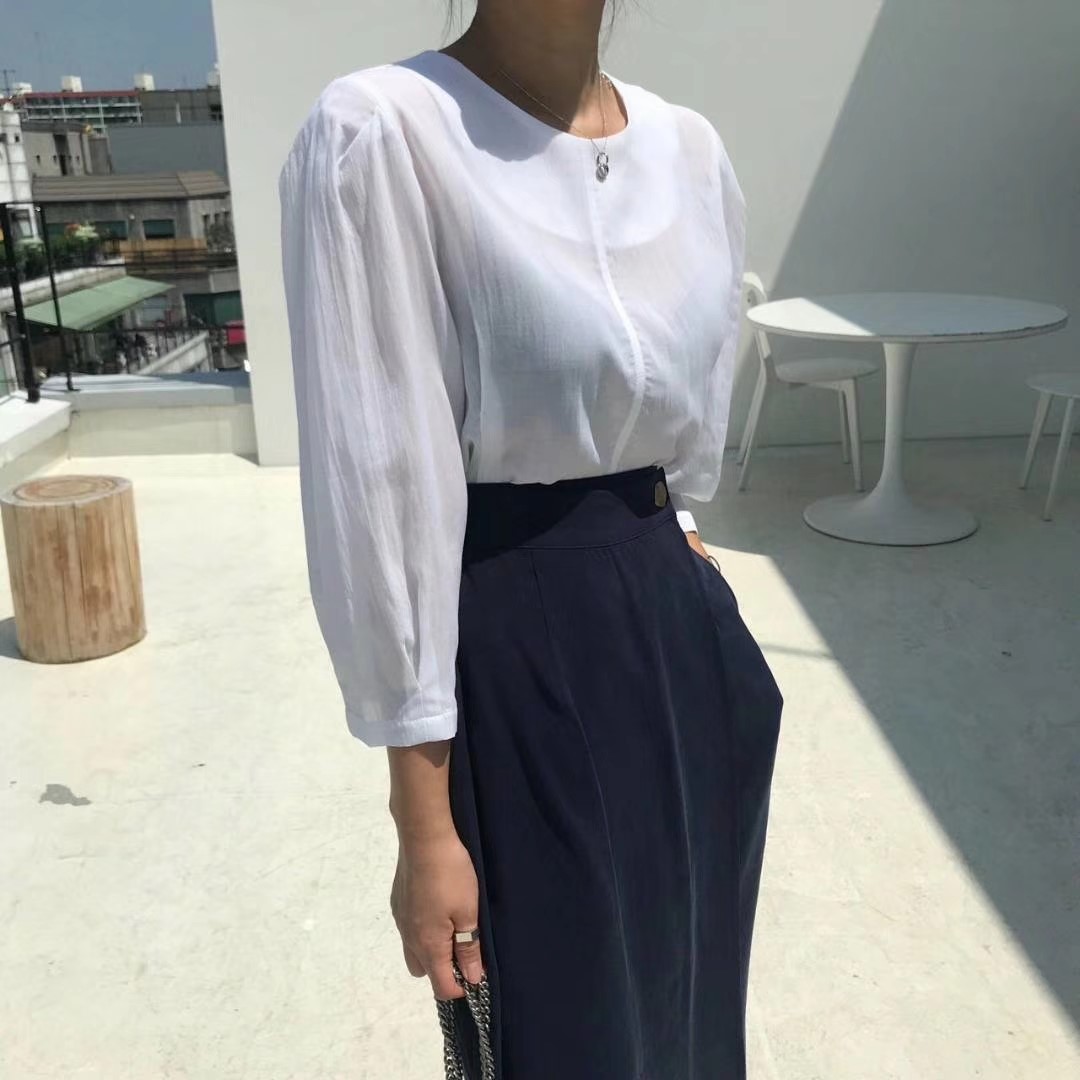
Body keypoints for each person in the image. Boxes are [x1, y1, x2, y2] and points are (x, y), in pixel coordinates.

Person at [278, 2, 783, 1077]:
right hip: (516, 635)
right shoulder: (386, 131)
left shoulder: (688, 149)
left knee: (690, 1008)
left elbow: (687, 404)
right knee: (569, 1034)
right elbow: (381, 486)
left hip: (679, 631)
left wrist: (684, 536)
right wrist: (424, 828)